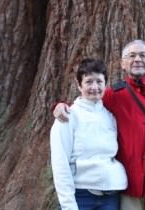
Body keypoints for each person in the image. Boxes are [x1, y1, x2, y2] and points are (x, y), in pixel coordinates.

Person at [54, 40, 145, 210]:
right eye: (131, 55)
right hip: (128, 189)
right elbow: (88, 104)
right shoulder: (114, 96)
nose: (137, 59)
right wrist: (61, 107)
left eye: (143, 55)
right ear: (123, 64)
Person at [50, 58, 128, 210]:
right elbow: (60, 165)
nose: (95, 87)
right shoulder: (67, 117)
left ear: (105, 84)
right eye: (89, 82)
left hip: (110, 198)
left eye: (99, 81)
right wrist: (68, 205)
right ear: (79, 85)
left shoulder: (110, 117)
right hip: (81, 197)